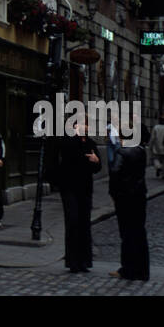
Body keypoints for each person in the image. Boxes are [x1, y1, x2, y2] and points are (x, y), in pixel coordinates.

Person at [54, 120, 102, 273]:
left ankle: (84, 261)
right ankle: (73, 262)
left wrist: (95, 161)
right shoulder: (68, 141)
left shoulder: (91, 143)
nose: (85, 128)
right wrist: (87, 159)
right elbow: (68, 158)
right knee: (73, 222)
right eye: (82, 125)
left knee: (84, 224)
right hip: (69, 188)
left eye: (87, 125)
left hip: (85, 188)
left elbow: (97, 167)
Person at [108, 141, 149, 281]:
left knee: (126, 234)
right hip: (139, 196)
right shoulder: (141, 150)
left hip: (125, 197)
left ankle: (127, 269)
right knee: (139, 233)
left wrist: (113, 194)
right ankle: (142, 271)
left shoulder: (122, 152)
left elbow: (114, 172)